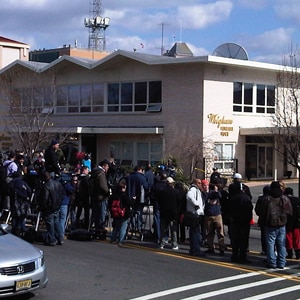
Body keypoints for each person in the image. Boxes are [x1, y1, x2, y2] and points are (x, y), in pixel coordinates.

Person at [259, 181, 293, 269]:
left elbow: (261, 212)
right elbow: (289, 212)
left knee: (270, 244)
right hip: (282, 223)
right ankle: (281, 262)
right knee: (281, 244)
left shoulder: (267, 199)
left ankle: (272, 262)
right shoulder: (284, 198)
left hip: (269, 223)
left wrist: (263, 221)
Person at [228, 180, 253, 263]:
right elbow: (250, 209)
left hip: (235, 221)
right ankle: (243, 256)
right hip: (244, 222)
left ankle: (234, 255)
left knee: (235, 240)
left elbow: (229, 209)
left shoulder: (232, 198)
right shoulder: (246, 198)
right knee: (244, 240)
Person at [38, 171, 65, 246]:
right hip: (56, 206)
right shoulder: (58, 184)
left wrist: (42, 207)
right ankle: (60, 238)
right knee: (56, 222)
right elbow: (62, 194)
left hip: (49, 207)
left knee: (50, 224)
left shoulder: (46, 186)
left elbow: (44, 199)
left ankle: (52, 239)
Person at [108, 179, 134, 245]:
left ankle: (113, 239)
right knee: (123, 227)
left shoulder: (114, 195)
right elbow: (130, 203)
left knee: (116, 227)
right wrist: (133, 200)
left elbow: (110, 203)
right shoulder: (124, 196)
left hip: (115, 213)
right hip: (124, 213)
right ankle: (121, 240)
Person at [158, 177, 179, 250]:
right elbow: (178, 203)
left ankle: (162, 243)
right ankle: (174, 244)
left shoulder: (162, 192)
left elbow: (159, 201)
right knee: (173, 230)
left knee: (163, 229)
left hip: (164, 213)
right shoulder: (175, 192)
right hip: (173, 213)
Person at [186, 178, 206, 257]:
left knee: (195, 233)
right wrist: (196, 204)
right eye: (199, 183)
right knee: (196, 234)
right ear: (195, 183)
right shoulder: (193, 189)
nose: (200, 184)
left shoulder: (198, 190)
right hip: (195, 215)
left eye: (200, 183)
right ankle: (195, 250)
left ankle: (193, 249)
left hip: (198, 214)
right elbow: (189, 196)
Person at [9, 171, 32, 236]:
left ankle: (14, 230)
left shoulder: (11, 183)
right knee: (22, 216)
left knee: (14, 216)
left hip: (13, 201)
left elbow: (9, 191)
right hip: (22, 202)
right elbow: (29, 190)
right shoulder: (23, 183)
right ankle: (20, 229)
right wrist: (26, 197)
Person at [127, 165, 149, 234]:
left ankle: (133, 227)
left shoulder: (129, 177)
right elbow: (146, 187)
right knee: (139, 213)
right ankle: (139, 228)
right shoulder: (142, 177)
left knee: (132, 213)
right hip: (140, 199)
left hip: (130, 198)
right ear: (139, 170)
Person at [91, 160, 110, 232]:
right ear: (104, 166)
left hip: (95, 196)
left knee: (96, 213)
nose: (108, 168)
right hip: (101, 197)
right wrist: (108, 192)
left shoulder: (95, 172)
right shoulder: (101, 174)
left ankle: (96, 227)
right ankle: (100, 228)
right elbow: (103, 186)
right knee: (102, 214)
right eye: (107, 166)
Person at [204, 190, 225, 255]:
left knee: (220, 233)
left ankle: (222, 248)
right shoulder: (206, 194)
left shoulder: (216, 193)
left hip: (217, 215)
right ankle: (211, 248)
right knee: (209, 233)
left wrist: (216, 191)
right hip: (208, 216)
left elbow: (219, 195)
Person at [150, 171, 168, 243]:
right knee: (165, 222)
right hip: (165, 206)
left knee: (157, 221)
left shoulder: (156, 186)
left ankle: (158, 236)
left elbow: (152, 196)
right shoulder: (167, 186)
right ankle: (165, 236)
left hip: (157, 205)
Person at [283, 187, 300, 259]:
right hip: (297, 222)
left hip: (288, 222)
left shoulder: (284, 200)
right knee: (297, 238)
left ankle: (290, 253)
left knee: (289, 238)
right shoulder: (297, 200)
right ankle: (298, 254)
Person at [254, 185, 270, 255]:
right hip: (271, 220)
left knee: (263, 236)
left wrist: (260, 215)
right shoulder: (273, 198)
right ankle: (271, 250)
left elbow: (257, 209)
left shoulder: (261, 199)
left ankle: (264, 250)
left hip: (263, 220)